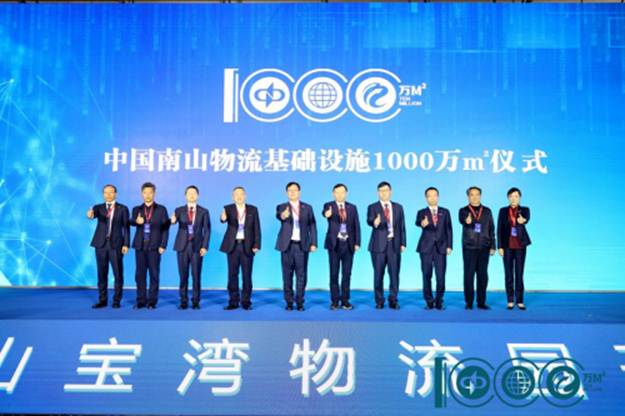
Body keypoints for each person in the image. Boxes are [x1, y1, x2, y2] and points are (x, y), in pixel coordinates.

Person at [275, 182, 317, 311]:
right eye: (290, 190)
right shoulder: (281, 207)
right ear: (286, 192)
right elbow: (280, 216)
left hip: (302, 245)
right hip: (286, 246)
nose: (292, 192)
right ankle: (289, 302)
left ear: (299, 192)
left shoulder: (307, 207)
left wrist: (314, 243)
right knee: (287, 275)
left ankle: (300, 302)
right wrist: (284, 215)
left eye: (295, 190)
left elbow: (312, 226)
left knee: (301, 275)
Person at [87, 184, 130, 309]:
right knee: (102, 274)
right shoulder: (98, 208)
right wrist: (90, 215)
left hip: (116, 245)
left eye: (111, 192)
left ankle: (116, 300)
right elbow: (92, 215)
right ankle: (102, 300)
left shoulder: (123, 209)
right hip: (100, 245)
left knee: (118, 274)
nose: (108, 195)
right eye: (106, 192)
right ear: (103, 194)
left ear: (115, 194)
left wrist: (126, 244)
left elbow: (126, 228)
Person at [219, 186, 261, 310]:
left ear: (245, 195)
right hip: (232, 246)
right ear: (233, 197)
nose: (239, 196)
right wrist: (223, 218)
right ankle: (233, 301)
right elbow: (223, 219)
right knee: (232, 275)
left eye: (241, 194)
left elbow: (257, 228)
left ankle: (246, 301)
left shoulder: (253, 209)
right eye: (236, 194)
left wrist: (257, 244)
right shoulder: (228, 208)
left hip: (247, 246)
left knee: (247, 275)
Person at [367, 181, 406, 309]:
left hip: (394, 244)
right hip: (378, 246)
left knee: (394, 274)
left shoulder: (398, 207)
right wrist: (375, 222)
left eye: (386, 190)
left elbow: (402, 226)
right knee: (378, 274)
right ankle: (379, 300)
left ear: (390, 191)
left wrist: (403, 243)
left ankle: (393, 299)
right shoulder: (372, 207)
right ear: (378, 193)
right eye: (381, 191)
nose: (384, 193)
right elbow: (369, 220)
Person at [170, 185, 210, 310]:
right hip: (182, 246)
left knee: (196, 275)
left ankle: (196, 301)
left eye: (194, 193)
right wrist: (172, 221)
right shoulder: (179, 210)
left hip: (197, 247)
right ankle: (183, 301)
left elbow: (207, 230)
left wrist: (205, 246)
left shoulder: (204, 211)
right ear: (185, 195)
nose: (192, 195)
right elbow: (173, 221)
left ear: (198, 195)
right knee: (183, 276)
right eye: (189, 193)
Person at [130, 182, 169, 309]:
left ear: (154, 193)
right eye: (145, 192)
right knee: (139, 275)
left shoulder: (161, 209)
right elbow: (131, 222)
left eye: (150, 192)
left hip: (155, 247)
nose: (147, 195)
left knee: (154, 274)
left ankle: (152, 301)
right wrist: (136, 221)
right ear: (142, 194)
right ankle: (141, 300)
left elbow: (165, 229)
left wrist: (163, 245)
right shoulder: (136, 209)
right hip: (140, 246)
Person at [322, 183, 361, 310]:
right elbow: (325, 213)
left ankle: (345, 300)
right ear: (333, 194)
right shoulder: (329, 205)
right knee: (334, 274)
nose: (340, 194)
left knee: (347, 274)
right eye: (337, 192)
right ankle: (334, 301)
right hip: (334, 244)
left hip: (348, 244)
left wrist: (357, 242)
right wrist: (327, 214)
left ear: (346, 193)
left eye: (342, 192)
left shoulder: (352, 207)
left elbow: (356, 225)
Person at [458, 186, 495, 310]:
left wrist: (493, 245)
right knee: (469, 275)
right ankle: (469, 302)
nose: (474, 197)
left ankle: (481, 302)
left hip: (484, 247)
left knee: (483, 276)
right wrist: (467, 221)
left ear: (480, 195)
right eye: (472, 194)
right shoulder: (463, 210)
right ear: (468, 196)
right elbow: (462, 220)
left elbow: (491, 229)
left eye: (477, 194)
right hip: (469, 247)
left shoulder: (487, 211)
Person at [416, 187, 452, 310]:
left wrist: (449, 245)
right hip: (425, 248)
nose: (432, 198)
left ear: (438, 196)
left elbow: (449, 229)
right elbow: (418, 222)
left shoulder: (445, 212)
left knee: (440, 276)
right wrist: (422, 223)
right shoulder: (422, 212)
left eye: (434, 195)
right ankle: (429, 301)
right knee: (426, 275)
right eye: (429, 196)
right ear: (426, 198)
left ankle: (439, 300)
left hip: (441, 248)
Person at [497, 187, 531, 310]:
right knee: (508, 273)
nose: (514, 198)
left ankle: (520, 300)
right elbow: (499, 229)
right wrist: (499, 246)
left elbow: (526, 219)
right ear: (508, 198)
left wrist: (523, 220)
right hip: (507, 246)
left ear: (519, 198)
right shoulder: (503, 211)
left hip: (520, 246)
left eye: (516, 196)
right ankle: (510, 300)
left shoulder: (525, 209)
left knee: (519, 273)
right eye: (511, 196)